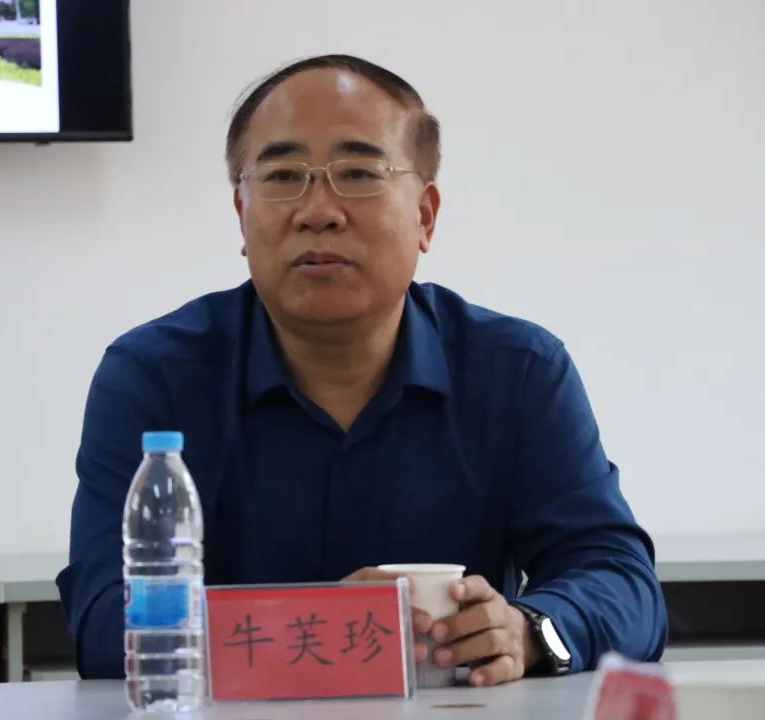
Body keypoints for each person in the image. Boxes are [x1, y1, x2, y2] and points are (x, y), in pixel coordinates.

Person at [57, 54, 667, 687]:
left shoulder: (518, 372)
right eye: (283, 176)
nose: (318, 210)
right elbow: (105, 622)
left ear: (425, 215)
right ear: (241, 212)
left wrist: (530, 630)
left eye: (357, 174)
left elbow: (622, 583)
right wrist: (326, 625)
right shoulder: (154, 377)